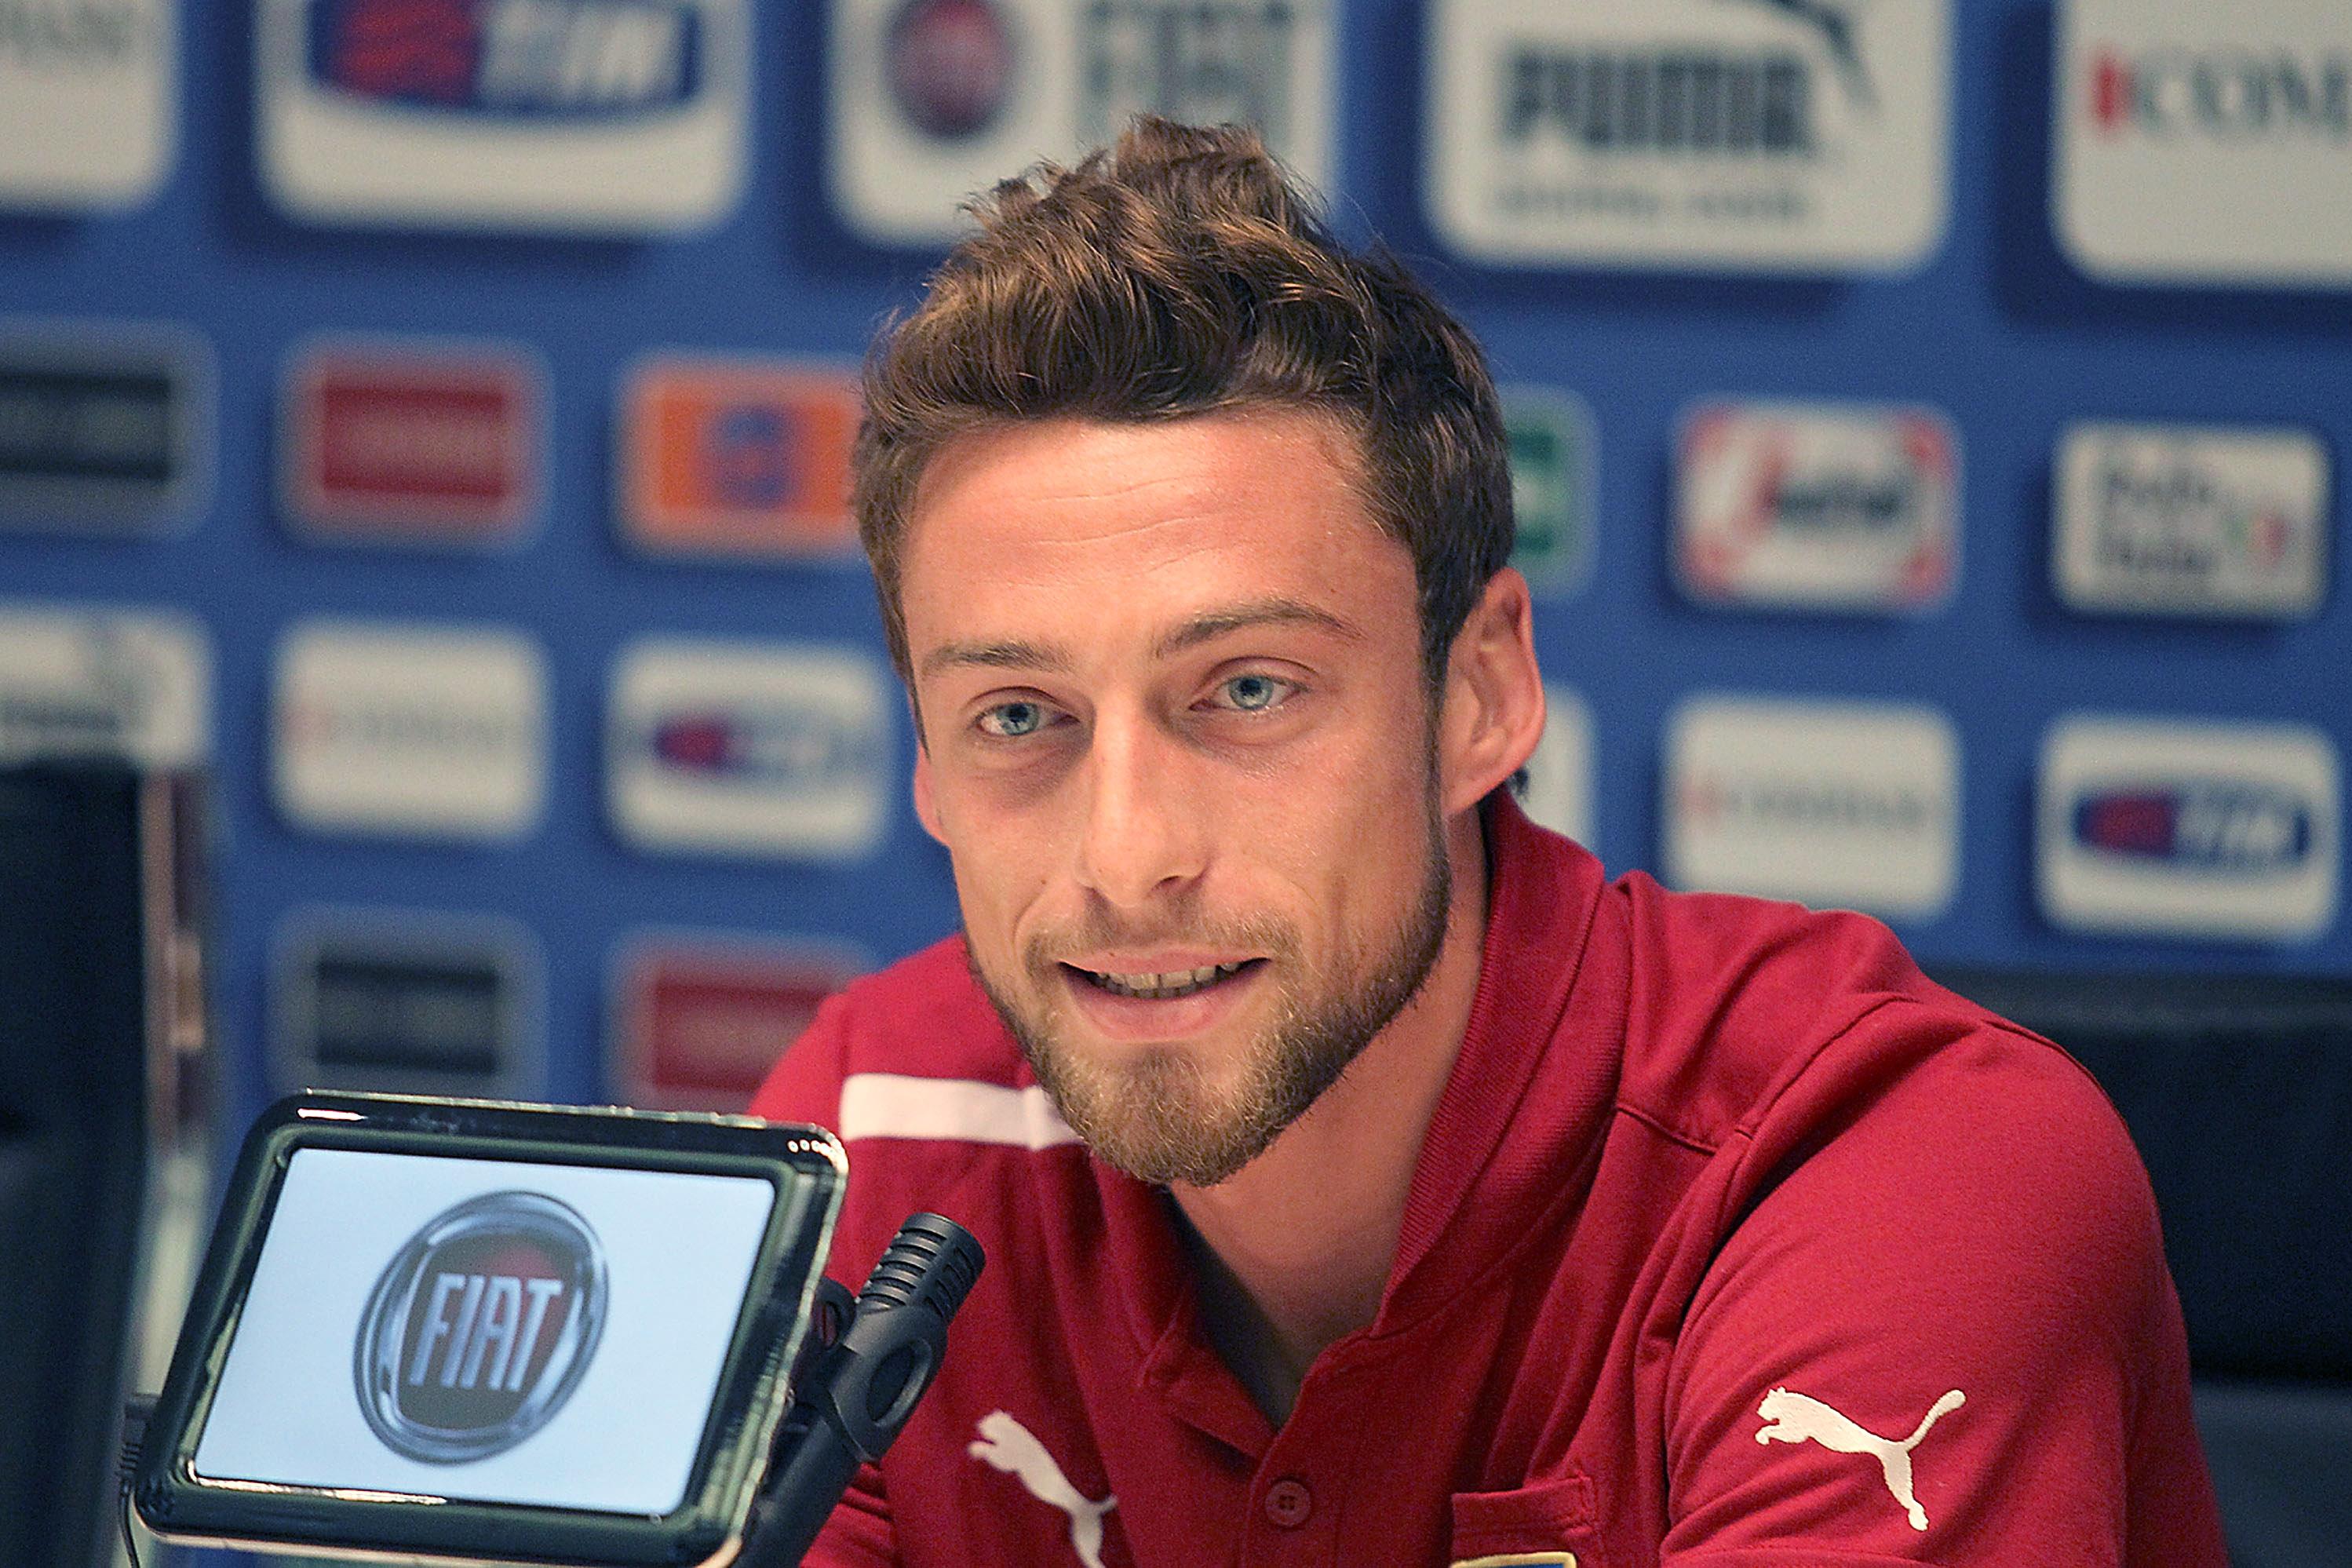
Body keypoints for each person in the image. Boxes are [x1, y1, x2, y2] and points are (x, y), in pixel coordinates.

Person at [751, 117, 2226, 1566]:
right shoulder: (873, 1130)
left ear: (1482, 694)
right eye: (1019, 715)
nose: (1128, 857)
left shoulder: (1890, 1168)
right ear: (925, 764)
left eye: (1249, 690)